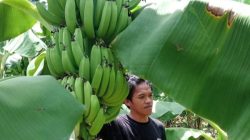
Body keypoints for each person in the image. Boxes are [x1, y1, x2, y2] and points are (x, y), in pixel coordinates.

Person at [97, 75, 166, 140]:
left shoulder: (159, 127)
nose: (148, 101)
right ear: (127, 101)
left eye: (150, 95)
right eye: (141, 97)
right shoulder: (114, 125)